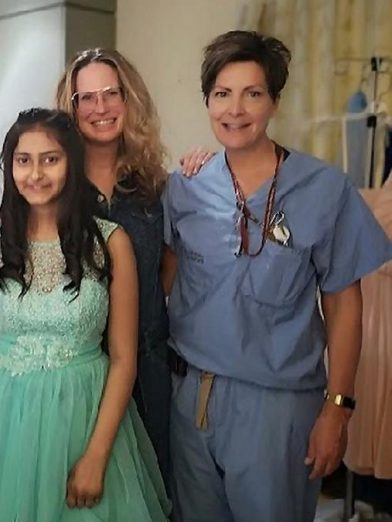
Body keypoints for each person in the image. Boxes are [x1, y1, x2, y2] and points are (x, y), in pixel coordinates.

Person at [163, 30, 392, 522]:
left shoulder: (323, 189)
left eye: (253, 93)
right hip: (191, 399)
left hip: (277, 406)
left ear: (274, 101)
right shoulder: (185, 187)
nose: (236, 109)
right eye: (222, 94)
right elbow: (167, 279)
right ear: (207, 100)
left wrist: (338, 408)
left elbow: (345, 304)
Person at [0, 108, 172, 521]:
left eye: (50, 159)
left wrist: (96, 455)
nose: (35, 173)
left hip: (84, 419)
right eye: (24, 160)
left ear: (71, 164)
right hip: (3, 426)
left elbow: (125, 360)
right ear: (11, 168)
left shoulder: (111, 243)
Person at [55, 48, 212, 480]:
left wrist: (206, 170)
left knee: (150, 489)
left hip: (148, 375)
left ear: (130, 100)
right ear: (71, 108)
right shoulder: (56, 190)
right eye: (86, 97)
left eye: (111, 93)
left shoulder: (156, 187)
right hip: (77, 376)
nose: (100, 107)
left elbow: (168, 271)